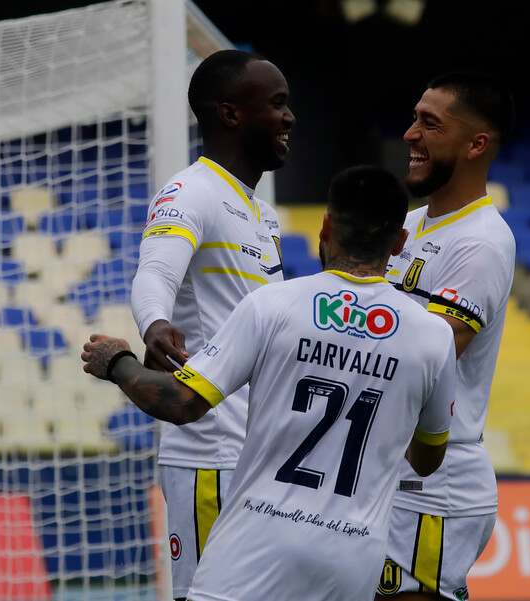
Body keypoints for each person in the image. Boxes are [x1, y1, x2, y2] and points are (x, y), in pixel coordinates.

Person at [84, 165, 456, 601]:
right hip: (352, 557)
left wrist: (117, 362)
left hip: (254, 550)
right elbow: (428, 458)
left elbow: (181, 403)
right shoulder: (433, 334)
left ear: (326, 226)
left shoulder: (272, 305)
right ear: (399, 243)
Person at [129, 49, 294, 600]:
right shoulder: (190, 191)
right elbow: (154, 272)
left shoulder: (260, 212)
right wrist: (155, 324)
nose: (289, 117)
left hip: (260, 453)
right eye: (277, 104)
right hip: (210, 459)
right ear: (229, 114)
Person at [377, 72, 517, 601]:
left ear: (476, 144)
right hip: (394, 469)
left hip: (434, 483)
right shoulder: (409, 225)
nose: (411, 134)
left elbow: (430, 357)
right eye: (414, 118)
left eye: (429, 123)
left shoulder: (482, 242)